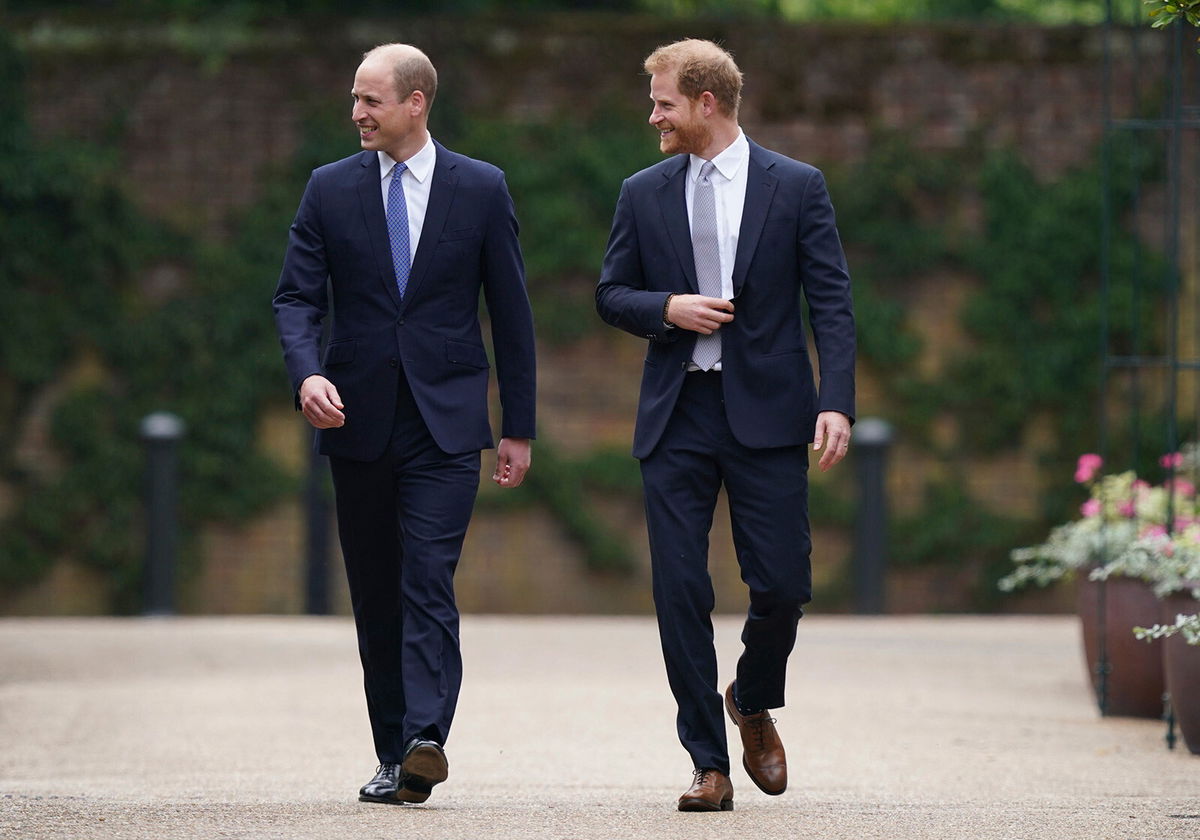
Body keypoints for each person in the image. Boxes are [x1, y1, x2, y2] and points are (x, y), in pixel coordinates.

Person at [272, 43, 536, 805]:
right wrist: (307, 372)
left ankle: (426, 736)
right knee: (377, 592)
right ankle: (394, 755)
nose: (356, 112)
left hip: (446, 424)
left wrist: (518, 424)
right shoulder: (328, 190)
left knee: (427, 575)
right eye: (354, 99)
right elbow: (295, 298)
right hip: (356, 418)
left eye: (371, 100)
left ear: (416, 103)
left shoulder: (480, 188)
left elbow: (511, 315)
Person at [595, 39, 855, 812]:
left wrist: (834, 399)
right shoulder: (642, 193)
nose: (654, 116)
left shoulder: (798, 186)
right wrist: (664, 309)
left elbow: (832, 303)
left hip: (769, 413)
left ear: (706, 103)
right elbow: (611, 293)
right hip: (677, 412)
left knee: (782, 585)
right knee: (679, 591)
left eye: (664, 102)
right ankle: (708, 763)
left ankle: (752, 694)